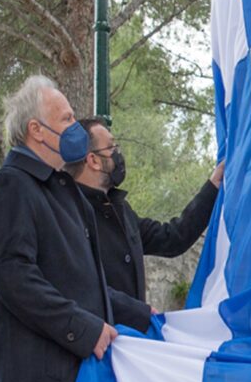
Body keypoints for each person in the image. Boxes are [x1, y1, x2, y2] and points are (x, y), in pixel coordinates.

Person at [0, 76, 150, 382]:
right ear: (36, 130)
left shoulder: (64, 194)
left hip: (76, 381)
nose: (77, 130)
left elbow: (82, 283)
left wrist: (142, 316)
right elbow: (15, 279)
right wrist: (84, 329)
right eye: (68, 119)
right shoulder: (10, 187)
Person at [68, 116, 223, 317]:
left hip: (129, 341)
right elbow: (81, 287)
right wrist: (140, 313)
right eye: (111, 147)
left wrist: (212, 188)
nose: (118, 154)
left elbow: (172, 238)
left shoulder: (120, 209)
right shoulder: (68, 214)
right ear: (93, 160)